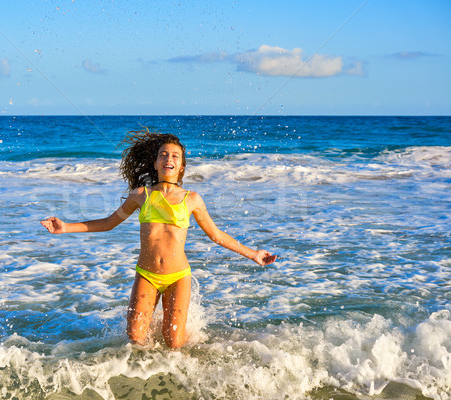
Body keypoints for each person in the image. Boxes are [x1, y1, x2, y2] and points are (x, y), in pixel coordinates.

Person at [41, 129, 277, 349]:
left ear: (181, 166)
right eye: (163, 155)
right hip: (147, 275)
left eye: (174, 155)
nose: (168, 158)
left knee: (174, 343)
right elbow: (108, 223)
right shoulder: (140, 196)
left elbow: (216, 235)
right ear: (155, 163)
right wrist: (65, 227)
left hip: (178, 277)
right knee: (135, 338)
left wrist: (253, 254)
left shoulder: (192, 199)